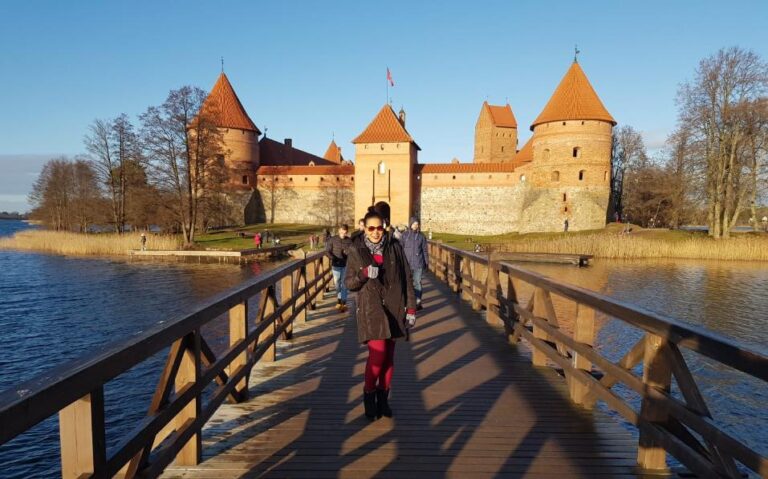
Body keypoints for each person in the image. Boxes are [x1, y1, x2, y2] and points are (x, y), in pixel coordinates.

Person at [345, 208, 416, 420]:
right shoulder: (357, 251)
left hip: (394, 307)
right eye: (371, 228)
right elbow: (349, 283)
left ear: (384, 227)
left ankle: (383, 400)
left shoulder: (394, 247)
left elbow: (407, 279)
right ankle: (369, 394)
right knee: (378, 355)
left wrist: (411, 308)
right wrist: (364, 274)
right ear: (364, 229)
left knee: (389, 359)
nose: (376, 232)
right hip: (371, 308)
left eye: (379, 227)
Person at [401, 217, 429, 311]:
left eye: (417, 224)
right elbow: (400, 249)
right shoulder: (405, 235)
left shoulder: (421, 236)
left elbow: (425, 250)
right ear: (410, 224)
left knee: (417, 283)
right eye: (414, 224)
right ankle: (407, 302)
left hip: (418, 263)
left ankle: (418, 301)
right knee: (407, 283)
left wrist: (426, 262)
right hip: (407, 264)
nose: (415, 226)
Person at [327, 224, 352, 311]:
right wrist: (333, 258)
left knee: (344, 284)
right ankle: (339, 299)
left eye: (345, 233)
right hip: (335, 265)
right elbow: (328, 251)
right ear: (339, 231)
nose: (343, 234)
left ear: (346, 232)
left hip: (345, 265)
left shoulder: (349, 241)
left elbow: (352, 251)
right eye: (342, 232)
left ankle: (343, 302)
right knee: (337, 284)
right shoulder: (332, 239)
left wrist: (348, 252)